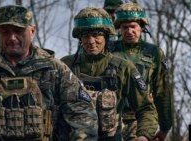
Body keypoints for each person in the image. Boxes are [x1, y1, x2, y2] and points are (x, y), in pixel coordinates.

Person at [0, 5, 98, 141]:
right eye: (5, 31)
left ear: (32, 31)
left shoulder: (54, 69)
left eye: (18, 30)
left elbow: (83, 116)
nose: (12, 37)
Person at [61, 7, 158, 141]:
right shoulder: (65, 66)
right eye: (86, 36)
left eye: (96, 35)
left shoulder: (124, 68)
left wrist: (143, 136)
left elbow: (146, 108)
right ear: (80, 38)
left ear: (106, 36)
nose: (91, 41)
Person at [110, 3, 173, 141]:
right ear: (119, 28)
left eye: (133, 26)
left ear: (141, 27)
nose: (129, 31)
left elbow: (162, 91)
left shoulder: (154, 53)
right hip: (110, 118)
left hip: (141, 119)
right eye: (125, 27)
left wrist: (165, 126)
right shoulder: (109, 50)